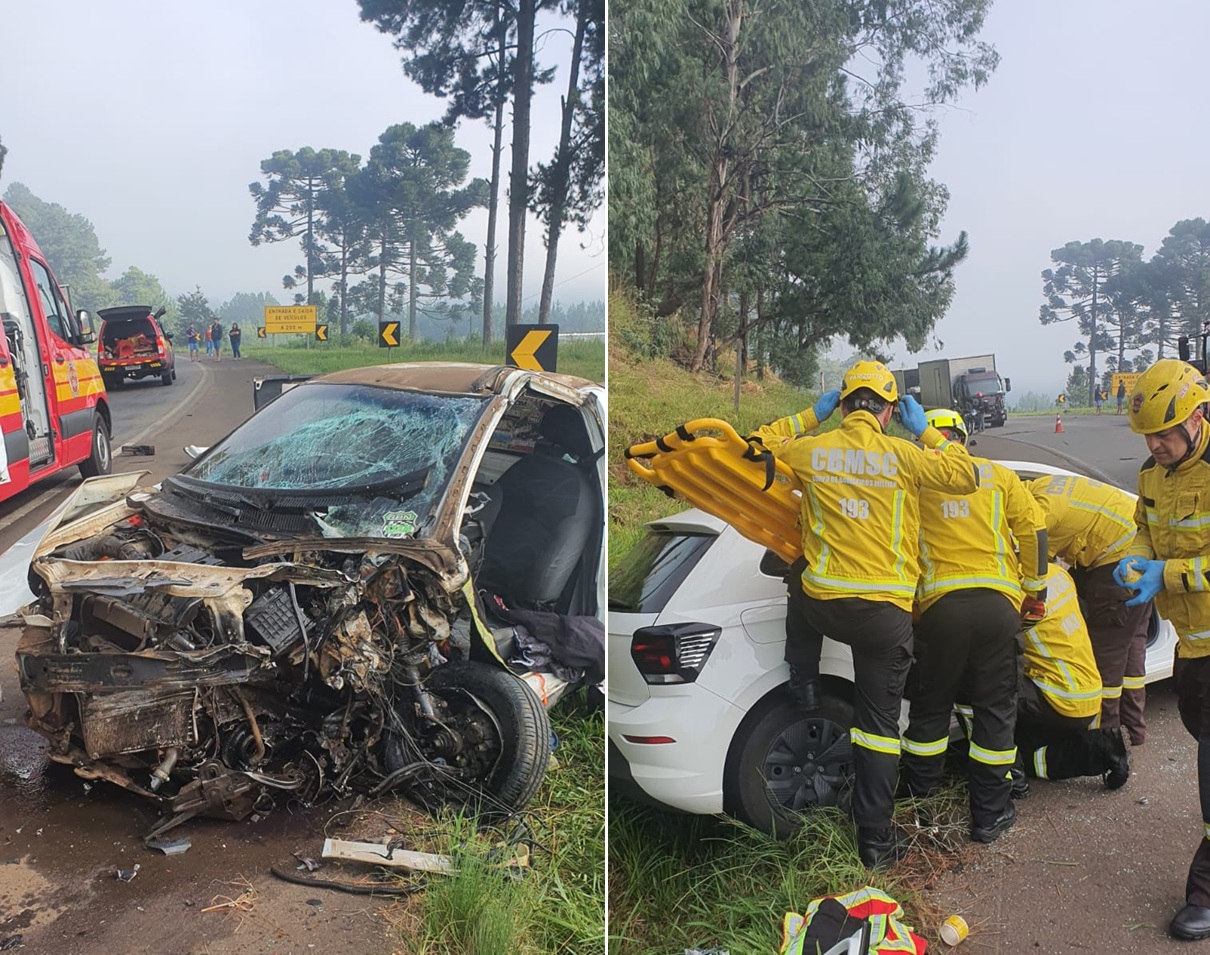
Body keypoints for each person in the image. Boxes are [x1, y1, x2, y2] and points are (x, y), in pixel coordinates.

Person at [747, 360, 980, 868]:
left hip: (825, 605)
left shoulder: (812, 451)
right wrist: (926, 433)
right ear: (890, 410)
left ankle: (803, 679)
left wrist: (810, 415)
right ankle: (874, 841)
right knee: (877, 727)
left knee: (798, 576)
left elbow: (755, 445)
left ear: (846, 404)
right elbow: (966, 476)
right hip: (883, 616)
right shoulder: (904, 455)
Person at [899, 409, 1048, 844]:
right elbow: (1035, 531)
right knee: (995, 712)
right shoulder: (998, 476)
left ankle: (919, 808)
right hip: (998, 607)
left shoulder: (916, 481)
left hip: (940, 609)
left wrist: (911, 607)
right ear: (964, 439)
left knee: (930, 709)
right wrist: (1034, 593)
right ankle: (989, 815)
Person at [1116, 358, 1210, 940]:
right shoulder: (1154, 473)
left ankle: (1204, 890)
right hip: (1194, 647)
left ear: (1199, 416)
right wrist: (1134, 556)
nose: (1157, 444)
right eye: (1149, 435)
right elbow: (1144, 527)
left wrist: (1166, 574)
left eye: (1166, 433)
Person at [1028, 474, 1151, 746]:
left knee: (1106, 653)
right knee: (1131, 645)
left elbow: (1033, 566)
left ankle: (1103, 740)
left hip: (1118, 564)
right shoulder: (1040, 485)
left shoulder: (1037, 513)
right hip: (1143, 550)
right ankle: (1135, 728)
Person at [1015, 563, 1129, 789]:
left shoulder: (1015, 595)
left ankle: (1011, 775)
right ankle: (1101, 749)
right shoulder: (1057, 573)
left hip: (1058, 699)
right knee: (1031, 752)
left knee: (984, 689)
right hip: (1087, 695)